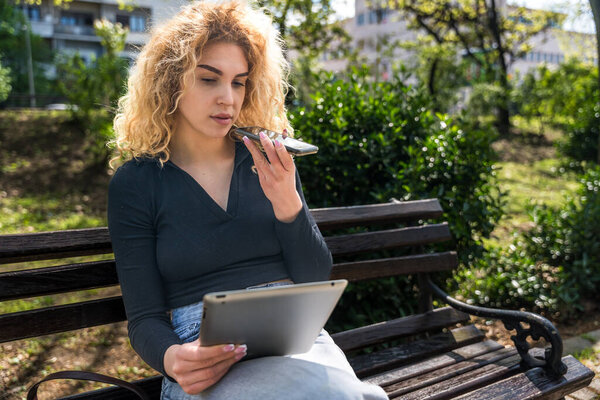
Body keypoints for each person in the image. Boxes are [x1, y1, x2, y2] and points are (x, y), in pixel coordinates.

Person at [107, 1, 389, 399]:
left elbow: (314, 279)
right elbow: (144, 318)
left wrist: (287, 203)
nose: (228, 98)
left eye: (239, 82)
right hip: (206, 353)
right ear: (171, 82)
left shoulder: (267, 159)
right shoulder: (137, 183)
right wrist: (174, 359)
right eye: (209, 79)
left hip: (295, 339)